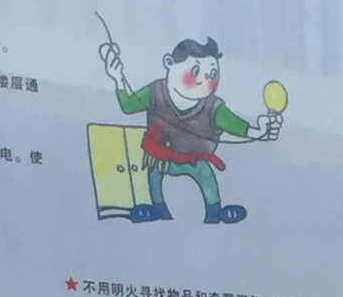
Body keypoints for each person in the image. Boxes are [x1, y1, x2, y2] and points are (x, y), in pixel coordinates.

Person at [101, 33, 280, 222]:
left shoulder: (214, 107)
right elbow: (128, 106)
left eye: (211, 75)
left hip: (195, 162)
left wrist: (259, 131)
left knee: (206, 177)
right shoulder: (155, 92)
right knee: (153, 175)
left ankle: (214, 213)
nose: (203, 81)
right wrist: (118, 79)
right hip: (159, 158)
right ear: (169, 63)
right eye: (195, 71)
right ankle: (158, 209)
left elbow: (238, 126)